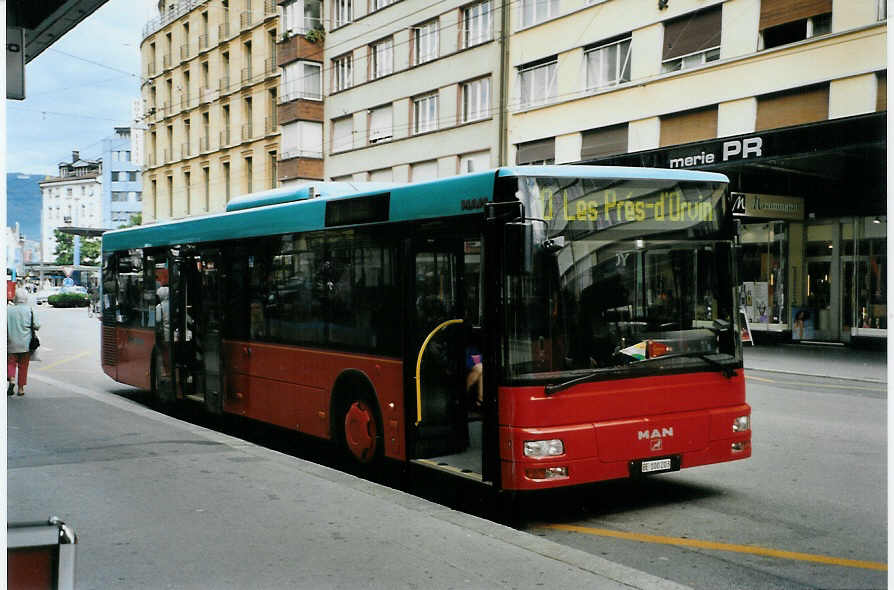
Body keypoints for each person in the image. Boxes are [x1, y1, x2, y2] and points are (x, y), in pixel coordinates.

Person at [7, 288, 40, 396]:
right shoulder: (30, 310)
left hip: (10, 342)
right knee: (23, 366)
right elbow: (37, 326)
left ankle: (11, 379)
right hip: (26, 344)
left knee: (10, 363)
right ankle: (20, 389)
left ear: (15, 298)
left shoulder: (8, 310)